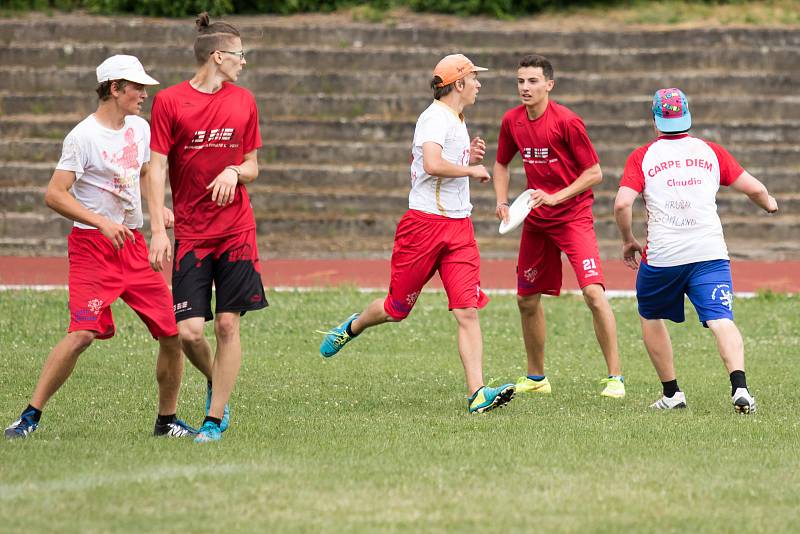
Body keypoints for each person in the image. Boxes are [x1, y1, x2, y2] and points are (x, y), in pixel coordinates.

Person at [4, 55, 194, 440]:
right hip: (93, 248)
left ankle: (167, 421)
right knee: (82, 334)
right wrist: (102, 221)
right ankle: (28, 417)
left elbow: (143, 175)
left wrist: (159, 209)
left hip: (133, 246)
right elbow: (54, 195)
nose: (144, 94)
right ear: (114, 89)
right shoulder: (82, 136)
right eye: (137, 87)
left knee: (172, 332)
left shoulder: (139, 129)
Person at [318, 54, 515, 414]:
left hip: (459, 228)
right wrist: (472, 171)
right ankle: (354, 325)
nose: (479, 84)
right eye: (474, 78)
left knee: (467, 310)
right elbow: (431, 164)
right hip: (423, 228)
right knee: (396, 310)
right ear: (458, 84)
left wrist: (468, 157)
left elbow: (444, 163)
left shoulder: (456, 117)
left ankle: (478, 394)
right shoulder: (432, 118)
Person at [614, 88, 778, 413]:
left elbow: (622, 203)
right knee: (721, 318)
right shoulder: (710, 151)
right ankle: (740, 388)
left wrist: (628, 239)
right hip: (709, 252)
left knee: (650, 315)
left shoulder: (642, 155)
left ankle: (672, 394)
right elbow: (756, 188)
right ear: (687, 115)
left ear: (655, 120)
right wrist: (770, 205)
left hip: (663, 256)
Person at [145, 13, 266, 443]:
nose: (243, 63)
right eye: (239, 56)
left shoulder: (244, 101)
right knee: (189, 331)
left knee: (227, 325)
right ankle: (218, 380)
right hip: (192, 235)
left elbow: (252, 164)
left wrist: (236, 170)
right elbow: (156, 167)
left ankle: (212, 421)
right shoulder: (170, 102)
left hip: (236, 231)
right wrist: (158, 228)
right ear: (218, 56)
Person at [492, 54, 624, 398]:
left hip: (573, 217)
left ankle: (615, 379)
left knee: (594, 294)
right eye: (520, 81)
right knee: (526, 299)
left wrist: (556, 197)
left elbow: (594, 173)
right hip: (536, 220)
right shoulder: (511, 121)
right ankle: (537, 379)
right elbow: (501, 164)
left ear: (549, 84)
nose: (525, 87)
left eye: (533, 81)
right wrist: (503, 201)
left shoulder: (567, 121)